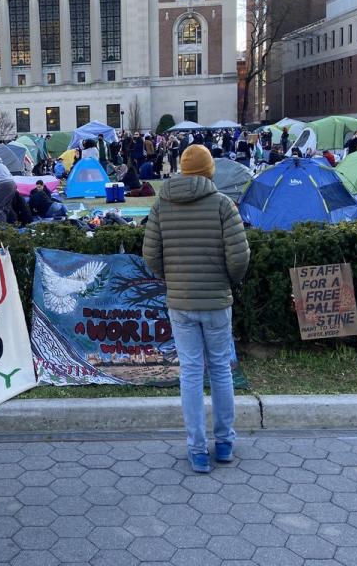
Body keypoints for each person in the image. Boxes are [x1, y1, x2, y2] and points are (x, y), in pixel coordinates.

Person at [142, 145, 250, 474]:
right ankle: (225, 443)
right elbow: (240, 257)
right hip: (216, 301)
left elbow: (151, 255)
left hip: (180, 302)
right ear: (209, 171)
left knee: (190, 373)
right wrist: (226, 281)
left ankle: (197, 450)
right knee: (219, 370)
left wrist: (172, 278)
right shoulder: (222, 205)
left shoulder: (162, 203)